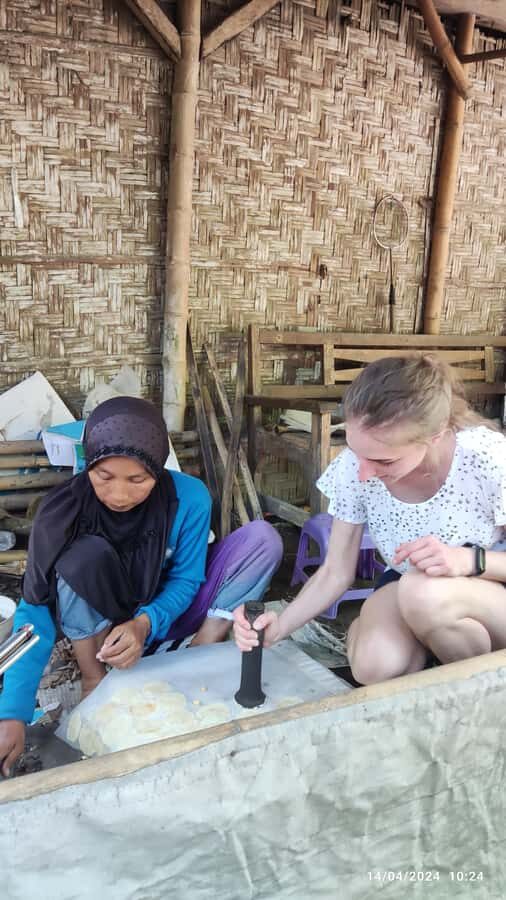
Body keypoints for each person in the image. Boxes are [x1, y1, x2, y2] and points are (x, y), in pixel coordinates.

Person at [0, 397, 282, 775]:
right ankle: (93, 678)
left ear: (158, 468)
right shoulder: (61, 512)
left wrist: (146, 622)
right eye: (104, 477)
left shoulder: (188, 497)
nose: (120, 495)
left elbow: (186, 579)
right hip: (104, 629)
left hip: (169, 614)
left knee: (264, 539)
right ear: (88, 464)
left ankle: (200, 649)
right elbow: (34, 609)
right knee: (79, 559)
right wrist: (12, 713)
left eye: (138, 480)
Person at [235, 353, 506, 687]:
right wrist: (280, 626)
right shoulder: (355, 467)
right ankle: (414, 642)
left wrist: (467, 559)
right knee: (374, 666)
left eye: (384, 460)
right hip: (405, 583)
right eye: (356, 452)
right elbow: (336, 571)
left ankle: (478, 692)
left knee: (422, 594)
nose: (364, 473)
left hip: (489, 586)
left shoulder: (486, 458)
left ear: (434, 436)